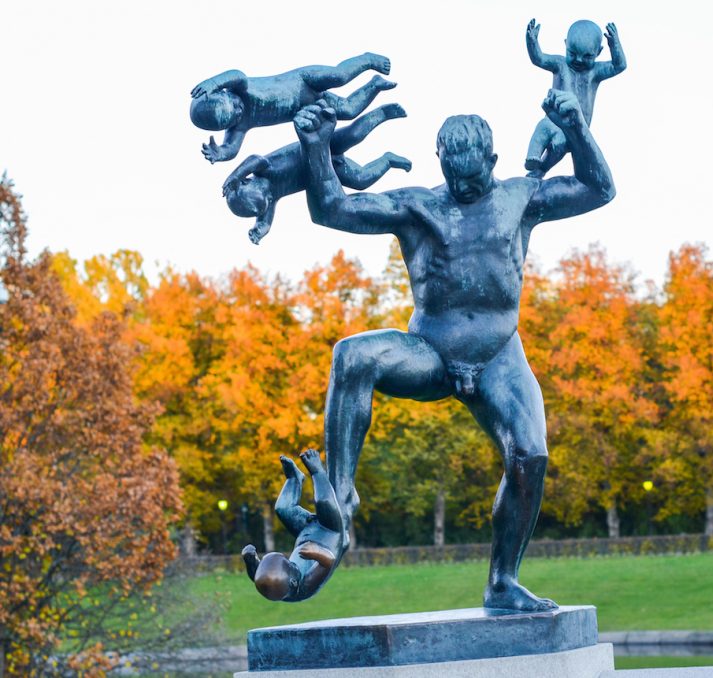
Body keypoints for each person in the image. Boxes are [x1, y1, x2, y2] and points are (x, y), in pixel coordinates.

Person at [291, 87, 615, 611]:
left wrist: (576, 127)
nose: (465, 189)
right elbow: (332, 208)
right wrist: (314, 146)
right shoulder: (417, 206)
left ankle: (503, 582)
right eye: (455, 180)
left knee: (530, 456)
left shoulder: (520, 197)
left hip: (498, 356)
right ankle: (340, 502)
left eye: (476, 179)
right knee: (352, 355)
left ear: (493, 160)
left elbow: (598, 189)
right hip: (432, 350)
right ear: (439, 161)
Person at [221, 103, 411, 244]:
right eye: (267, 199)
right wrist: (260, 229)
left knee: (353, 135)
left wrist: (235, 176)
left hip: (320, 144)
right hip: (326, 171)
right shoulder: (269, 198)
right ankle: (388, 160)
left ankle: (383, 113)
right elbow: (265, 218)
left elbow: (255, 159)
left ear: (247, 181)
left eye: (264, 192)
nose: (270, 195)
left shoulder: (264, 169)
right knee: (361, 179)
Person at [190, 53, 394, 164]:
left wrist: (212, 82)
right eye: (232, 117)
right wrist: (220, 154)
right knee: (348, 110)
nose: (238, 110)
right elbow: (232, 149)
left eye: (233, 104)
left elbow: (237, 73)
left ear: (225, 91)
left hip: (304, 81)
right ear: (226, 125)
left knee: (339, 76)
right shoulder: (240, 126)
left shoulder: (241, 88)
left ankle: (368, 60)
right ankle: (374, 85)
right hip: (307, 106)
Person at [523, 19, 626, 177]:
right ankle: (533, 157)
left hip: (576, 127)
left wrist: (615, 45)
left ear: (598, 52)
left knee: (560, 143)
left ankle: (542, 168)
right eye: (572, 53)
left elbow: (619, 66)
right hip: (554, 118)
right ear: (565, 44)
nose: (578, 60)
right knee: (544, 127)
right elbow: (539, 59)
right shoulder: (560, 64)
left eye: (587, 56)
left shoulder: (595, 72)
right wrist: (532, 42)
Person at [242, 449, 346, 602]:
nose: (291, 562)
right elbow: (328, 562)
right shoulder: (303, 587)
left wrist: (250, 561)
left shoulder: (275, 584)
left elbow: (258, 576)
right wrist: (316, 552)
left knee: (283, 508)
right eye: (290, 565)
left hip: (305, 533)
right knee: (324, 503)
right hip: (329, 533)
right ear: (293, 582)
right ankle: (318, 471)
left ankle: (294, 479)